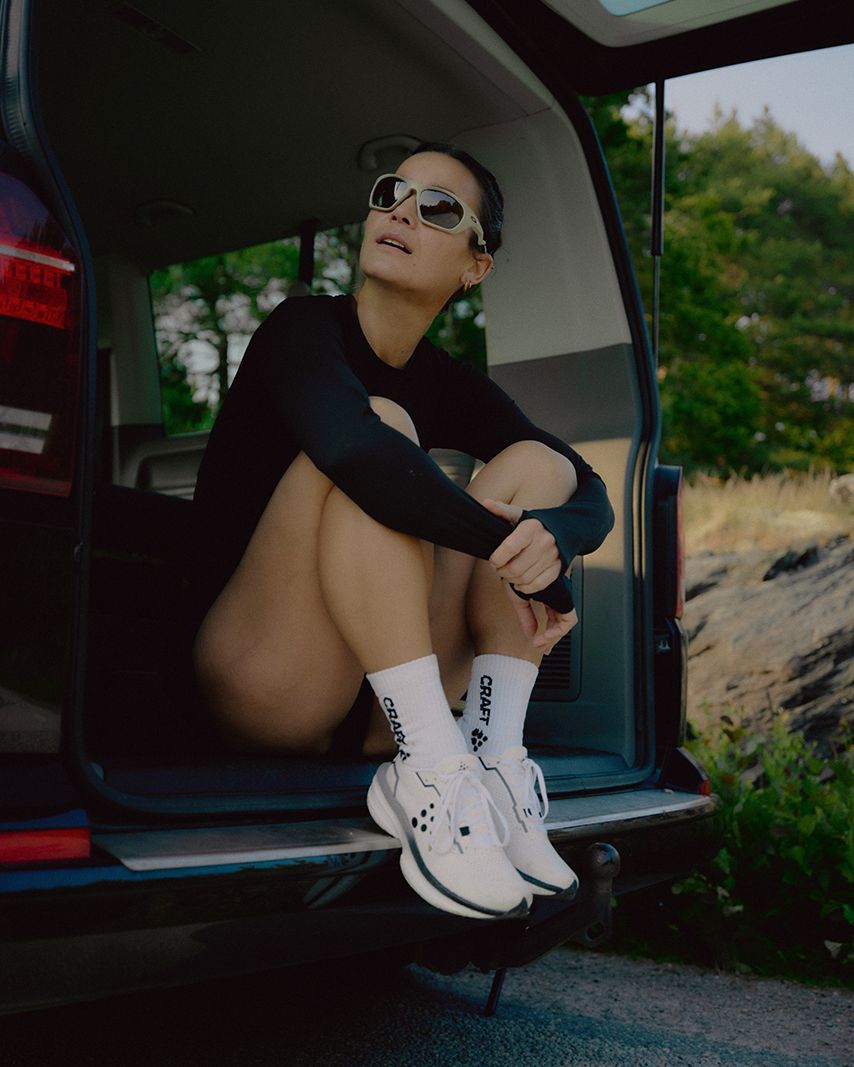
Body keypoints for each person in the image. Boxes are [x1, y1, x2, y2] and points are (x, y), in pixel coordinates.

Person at [190, 143, 615, 921]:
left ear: (475, 265)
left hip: (380, 704)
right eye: (393, 192)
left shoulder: (446, 380)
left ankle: (487, 757)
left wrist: (553, 539)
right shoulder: (302, 330)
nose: (402, 210)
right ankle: (431, 759)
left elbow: (587, 486)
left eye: (439, 207)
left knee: (536, 466)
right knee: (384, 431)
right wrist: (528, 567)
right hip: (269, 679)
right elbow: (358, 451)